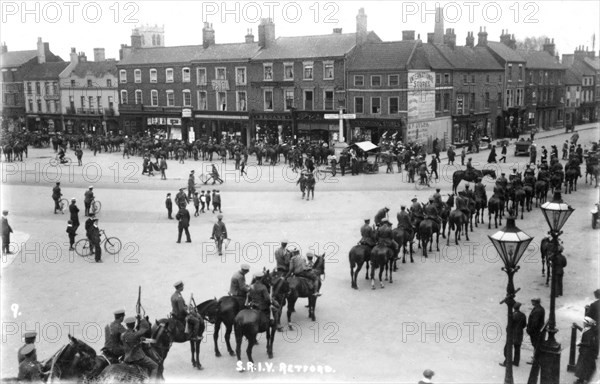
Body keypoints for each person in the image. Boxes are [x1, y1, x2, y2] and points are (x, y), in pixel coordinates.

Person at [121, 317, 159, 382]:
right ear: (134, 324)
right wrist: (142, 318)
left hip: (127, 358)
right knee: (155, 366)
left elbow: (132, 340)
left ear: (126, 325)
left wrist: (141, 340)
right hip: (137, 358)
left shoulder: (123, 335)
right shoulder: (135, 334)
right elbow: (145, 328)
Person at [500, 302, 527, 367]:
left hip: (512, 334)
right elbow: (524, 325)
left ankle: (507, 362)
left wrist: (508, 330)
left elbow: (509, 325)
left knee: (507, 348)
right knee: (517, 348)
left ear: (513, 308)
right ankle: (516, 362)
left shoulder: (512, 315)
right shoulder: (523, 315)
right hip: (519, 333)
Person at [574, 317, 599, 384]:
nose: (583, 323)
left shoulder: (589, 332)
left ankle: (581, 380)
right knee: (583, 365)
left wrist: (580, 344)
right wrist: (577, 326)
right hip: (585, 351)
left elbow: (588, 343)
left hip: (585, 352)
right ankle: (582, 379)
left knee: (582, 366)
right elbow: (583, 331)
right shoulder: (588, 329)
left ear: (588, 324)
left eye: (584, 323)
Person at [526, 298, 545, 364]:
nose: (531, 301)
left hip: (535, 332)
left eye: (532, 301)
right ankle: (535, 357)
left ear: (535, 302)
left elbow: (535, 323)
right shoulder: (540, 308)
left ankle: (535, 359)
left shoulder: (537, 311)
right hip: (537, 331)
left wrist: (530, 330)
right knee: (536, 344)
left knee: (535, 344)